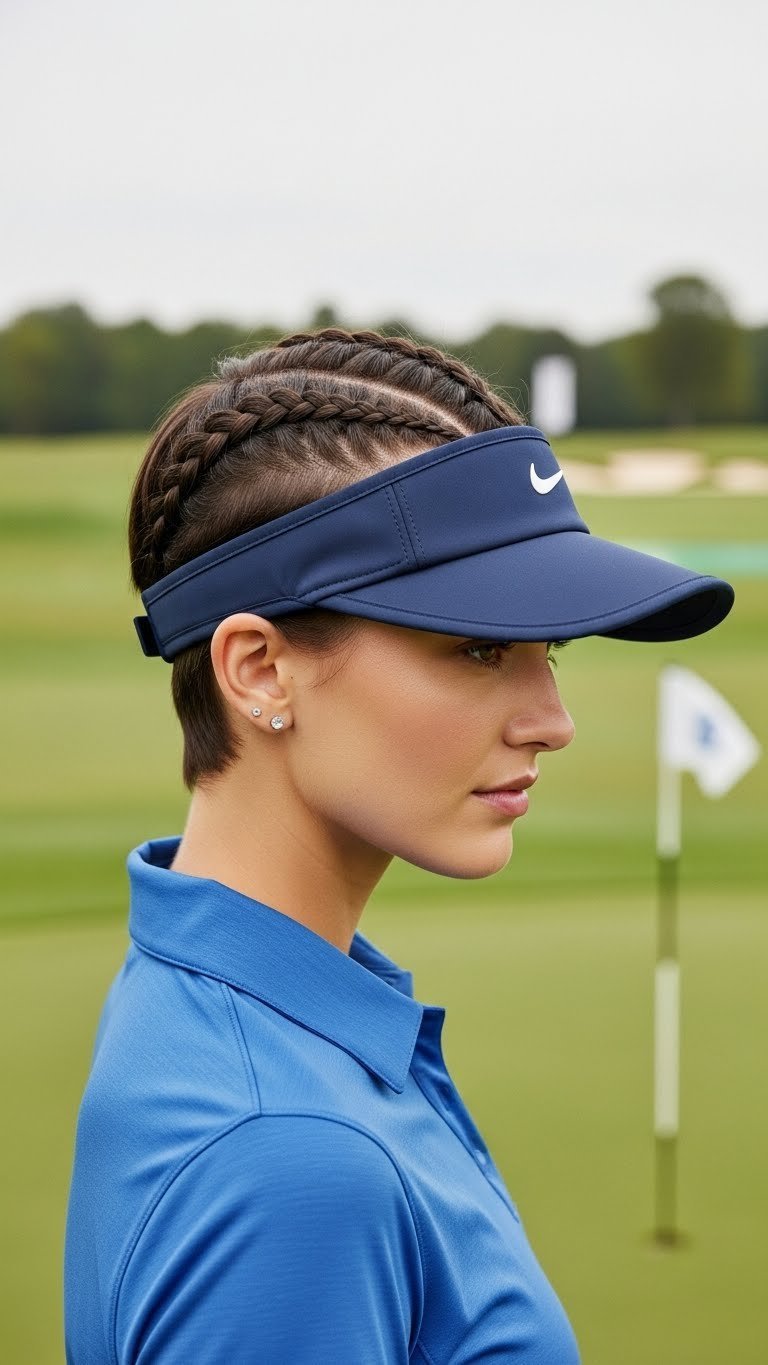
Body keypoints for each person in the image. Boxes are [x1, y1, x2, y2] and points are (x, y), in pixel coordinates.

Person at [63, 327, 733, 1364]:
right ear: (258, 670)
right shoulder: (288, 1163)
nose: (551, 719)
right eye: (475, 646)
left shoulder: (220, 995)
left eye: (544, 649)